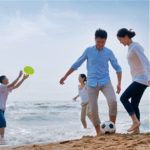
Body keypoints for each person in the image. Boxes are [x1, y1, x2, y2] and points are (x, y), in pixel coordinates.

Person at [60, 29, 122, 136]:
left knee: (113, 101)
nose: (100, 44)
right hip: (91, 83)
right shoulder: (88, 51)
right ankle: (98, 132)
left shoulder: (109, 52)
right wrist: (65, 76)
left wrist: (119, 83)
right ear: (95, 39)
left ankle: (112, 128)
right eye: (98, 42)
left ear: (106, 41)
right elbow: (77, 63)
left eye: (103, 42)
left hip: (105, 81)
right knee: (93, 108)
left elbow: (118, 68)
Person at [117, 28, 150, 133]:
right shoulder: (130, 47)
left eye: (120, 39)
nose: (120, 42)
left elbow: (146, 62)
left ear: (126, 37)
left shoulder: (135, 47)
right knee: (134, 103)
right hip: (138, 79)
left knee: (123, 98)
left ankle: (135, 122)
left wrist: (149, 77)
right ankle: (137, 130)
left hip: (142, 79)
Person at [0, 71, 29, 144]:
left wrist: (23, 79)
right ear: (3, 80)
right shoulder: (1, 86)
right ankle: (2, 140)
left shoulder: (6, 88)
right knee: (3, 123)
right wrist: (19, 76)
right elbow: (12, 84)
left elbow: (16, 86)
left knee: (2, 124)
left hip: (2, 109)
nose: (8, 79)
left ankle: (1, 140)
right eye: (6, 78)